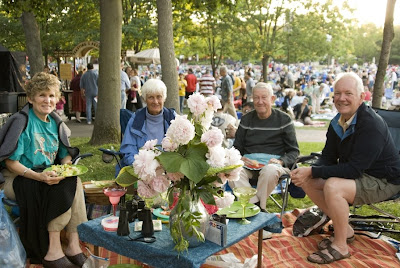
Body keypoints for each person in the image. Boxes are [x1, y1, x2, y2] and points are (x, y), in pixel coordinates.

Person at [290, 72, 400, 264]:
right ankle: (346, 231)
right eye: (338, 93)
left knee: (333, 186)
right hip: (360, 174)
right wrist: (308, 170)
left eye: (348, 93)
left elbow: (353, 170)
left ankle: (340, 246)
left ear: (361, 96)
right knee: (308, 179)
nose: (342, 98)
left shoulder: (371, 125)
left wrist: (313, 171)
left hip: (385, 180)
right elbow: (328, 157)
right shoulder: (337, 122)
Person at [0, 72, 87, 267]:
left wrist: (65, 169)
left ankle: (73, 245)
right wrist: (39, 177)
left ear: (57, 99)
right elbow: (10, 162)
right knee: (57, 186)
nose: (47, 100)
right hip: (16, 178)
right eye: (41, 95)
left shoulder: (56, 123)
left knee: (73, 181)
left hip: (43, 174)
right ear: (30, 98)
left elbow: (65, 154)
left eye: (51, 95)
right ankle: (53, 251)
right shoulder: (22, 121)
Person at [229, 82, 299, 212]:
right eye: (256, 98)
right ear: (252, 99)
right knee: (233, 170)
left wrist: (281, 161)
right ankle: (255, 206)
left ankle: (257, 208)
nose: (260, 102)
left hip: (274, 164)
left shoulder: (284, 120)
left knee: (270, 170)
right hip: (249, 164)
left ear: (272, 99)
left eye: (264, 97)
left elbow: (294, 151)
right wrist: (239, 158)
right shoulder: (246, 119)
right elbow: (237, 147)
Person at [117, 79, 176, 175]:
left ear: (164, 98)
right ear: (144, 99)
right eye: (151, 97)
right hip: (141, 172)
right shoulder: (136, 119)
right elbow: (128, 152)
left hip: (168, 170)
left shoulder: (173, 118)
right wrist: (143, 169)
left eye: (159, 97)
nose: (155, 101)